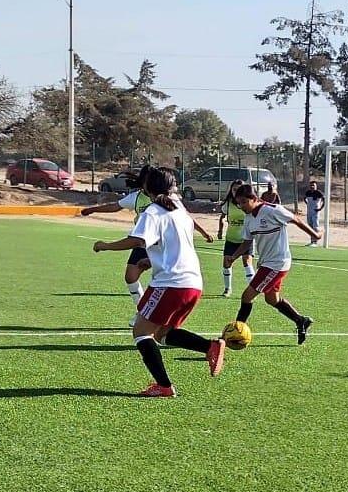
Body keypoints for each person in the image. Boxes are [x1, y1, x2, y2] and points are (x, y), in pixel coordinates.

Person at [92, 167, 225, 397]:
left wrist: (105, 245)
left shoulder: (153, 211)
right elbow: (174, 246)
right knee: (163, 333)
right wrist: (149, 260)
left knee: (141, 332)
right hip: (192, 283)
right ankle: (209, 347)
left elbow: (136, 240)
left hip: (170, 284)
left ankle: (164, 386)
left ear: (146, 188)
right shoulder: (179, 209)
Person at [82, 166, 213, 325]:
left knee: (145, 332)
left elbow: (186, 218)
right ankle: (143, 312)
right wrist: (93, 209)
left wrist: (203, 232)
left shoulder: (167, 202)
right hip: (145, 243)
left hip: (159, 244)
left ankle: (145, 316)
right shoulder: (136, 198)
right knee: (130, 277)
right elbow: (115, 206)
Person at [228, 184, 320, 344]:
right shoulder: (249, 219)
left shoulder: (272, 210)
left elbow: (295, 219)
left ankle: (235, 334)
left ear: (254, 199)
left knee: (247, 296)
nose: (241, 206)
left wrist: (315, 235)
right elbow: (246, 243)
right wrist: (233, 257)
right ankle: (301, 321)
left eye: (244, 202)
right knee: (272, 299)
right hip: (265, 263)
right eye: (239, 203)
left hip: (278, 263)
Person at [218, 179, 256, 297]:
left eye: (238, 189)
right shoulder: (228, 204)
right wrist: (220, 230)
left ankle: (254, 289)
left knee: (247, 262)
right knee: (227, 263)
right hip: (231, 238)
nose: (235, 191)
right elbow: (222, 217)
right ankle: (227, 289)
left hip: (246, 239)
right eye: (234, 189)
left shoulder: (248, 203)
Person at [303, 181, 325, 246]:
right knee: (310, 226)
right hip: (309, 211)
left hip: (315, 212)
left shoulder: (319, 193)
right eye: (311, 185)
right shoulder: (308, 192)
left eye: (313, 185)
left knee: (315, 226)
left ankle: (315, 242)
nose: (312, 187)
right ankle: (312, 241)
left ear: (316, 186)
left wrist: (320, 208)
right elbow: (304, 198)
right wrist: (308, 204)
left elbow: (324, 200)